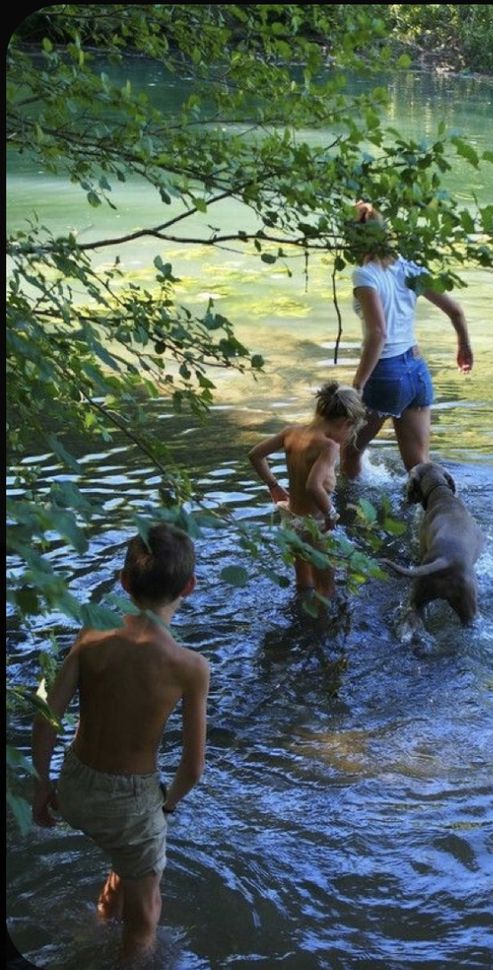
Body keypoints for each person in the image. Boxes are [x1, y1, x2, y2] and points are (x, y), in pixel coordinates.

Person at [31, 523, 209, 964]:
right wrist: (165, 807)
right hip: (130, 801)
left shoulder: (92, 632)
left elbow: (47, 718)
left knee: (126, 862)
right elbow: (192, 768)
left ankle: (96, 927)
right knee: (145, 918)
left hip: (75, 785)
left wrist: (41, 786)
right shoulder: (189, 666)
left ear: (124, 581)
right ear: (190, 586)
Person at [341, 199, 474, 479]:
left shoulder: (365, 275)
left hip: (386, 374)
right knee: (418, 466)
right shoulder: (410, 268)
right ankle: (433, 512)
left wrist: (358, 384)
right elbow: (456, 310)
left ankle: (350, 515)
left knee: (349, 451)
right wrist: (464, 346)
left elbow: (378, 333)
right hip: (417, 370)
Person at [249, 380, 366, 599]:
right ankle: (322, 630)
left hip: (291, 520)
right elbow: (313, 486)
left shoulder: (291, 432)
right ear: (346, 422)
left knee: (304, 583)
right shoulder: (329, 447)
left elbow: (255, 455)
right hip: (315, 527)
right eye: (352, 431)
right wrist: (331, 514)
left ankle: (302, 620)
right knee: (326, 590)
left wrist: (273, 485)